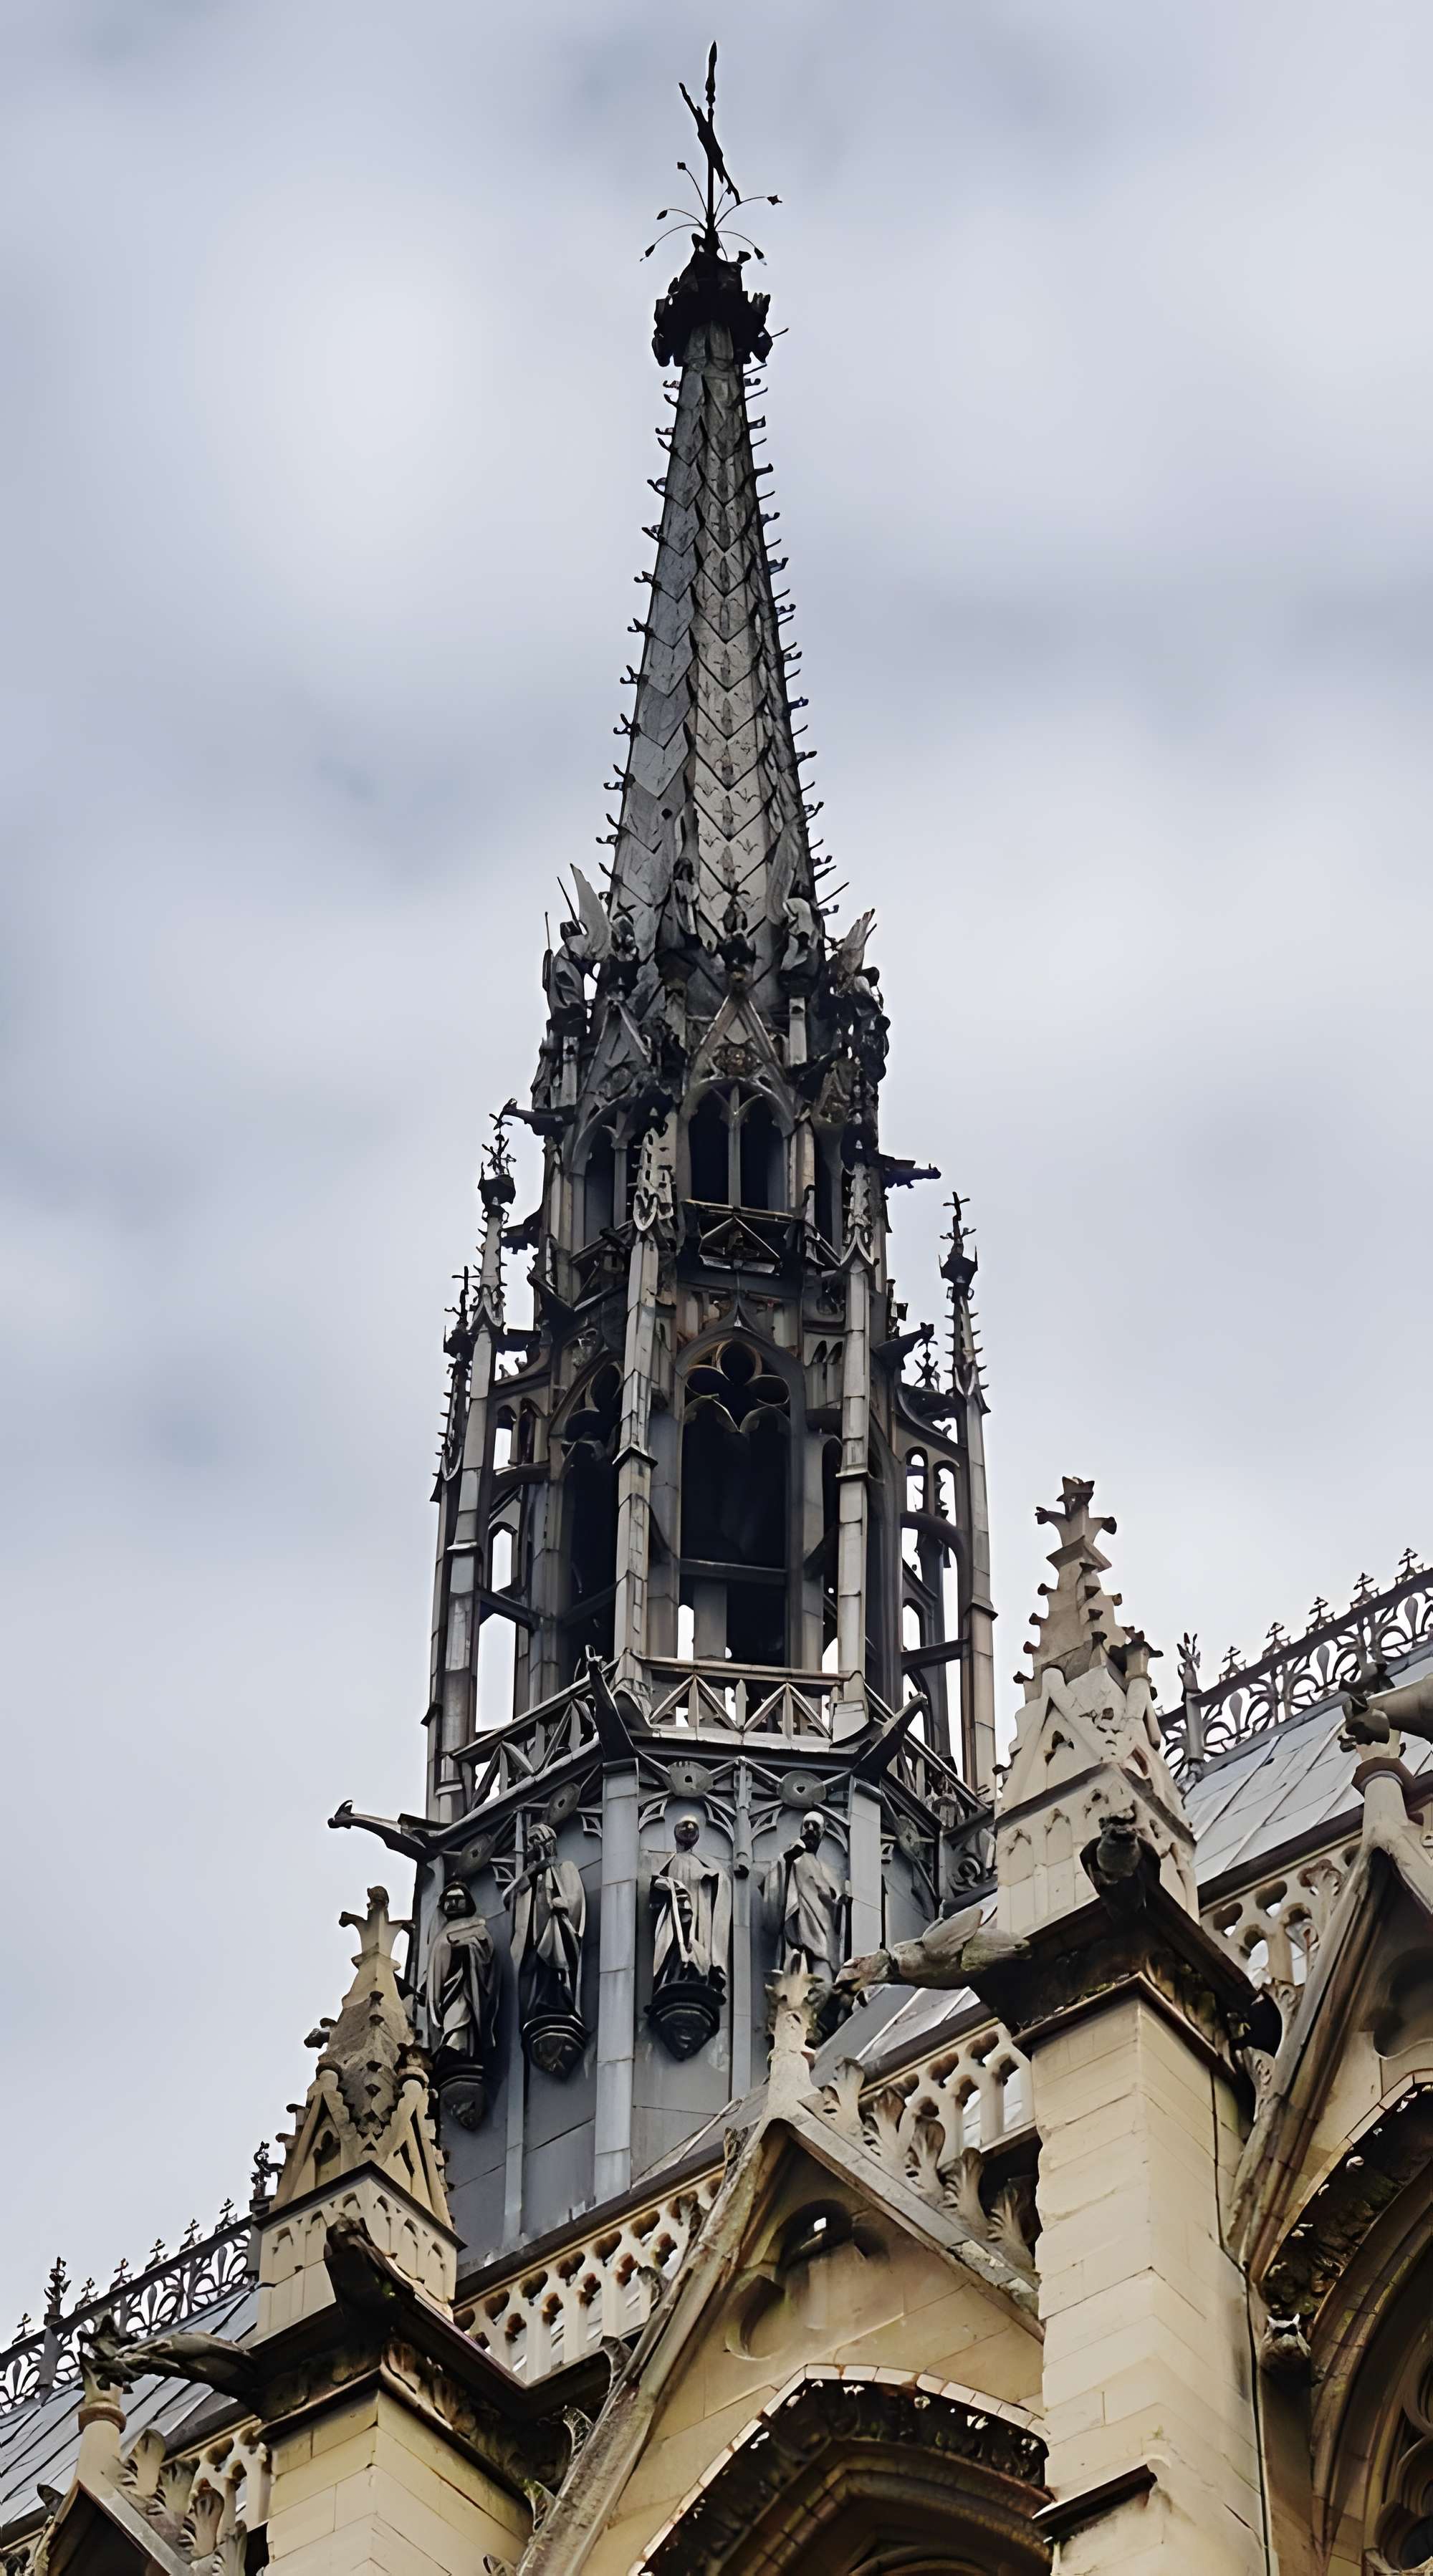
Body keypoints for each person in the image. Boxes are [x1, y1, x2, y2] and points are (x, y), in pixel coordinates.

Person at [651, 1819, 730, 1994]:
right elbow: (656, 1884)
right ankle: (675, 1972)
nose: (688, 1830)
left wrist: (714, 1877)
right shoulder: (670, 1860)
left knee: (698, 1942)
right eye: (684, 1827)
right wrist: (671, 1887)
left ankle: (700, 1966)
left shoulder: (706, 1862)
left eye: (692, 1828)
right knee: (677, 1940)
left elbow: (722, 1884)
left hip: (701, 1910)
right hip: (677, 1909)